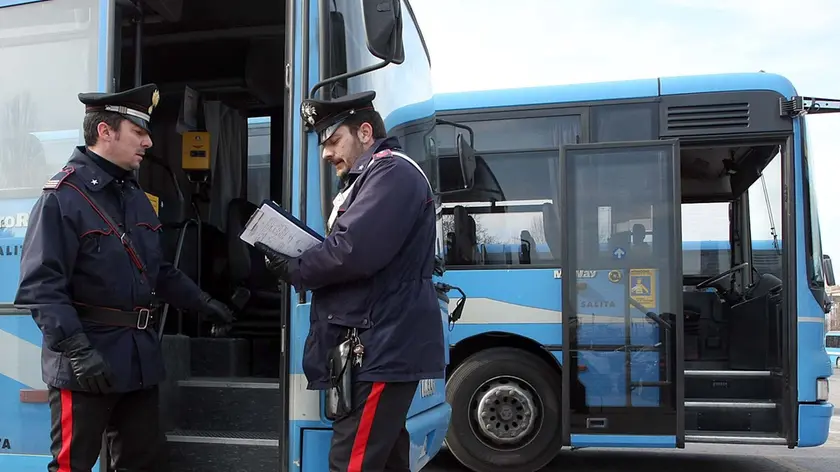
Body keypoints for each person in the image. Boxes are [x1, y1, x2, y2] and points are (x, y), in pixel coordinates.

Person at [14, 83, 234, 472]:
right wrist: (78, 352)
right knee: (72, 466)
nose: (148, 142)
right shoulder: (63, 197)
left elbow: (156, 269)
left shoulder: (133, 195)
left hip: (136, 360)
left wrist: (202, 302)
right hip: (86, 362)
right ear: (105, 132)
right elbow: (41, 288)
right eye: (139, 132)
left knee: (143, 462)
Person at [255, 91, 445, 471]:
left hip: (380, 346)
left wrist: (295, 268)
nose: (326, 154)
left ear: (364, 132)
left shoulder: (392, 173)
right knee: (385, 460)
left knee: (351, 463)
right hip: (378, 344)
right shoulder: (375, 177)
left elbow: (352, 250)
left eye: (333, 141)